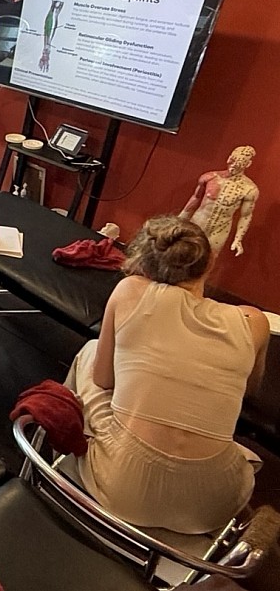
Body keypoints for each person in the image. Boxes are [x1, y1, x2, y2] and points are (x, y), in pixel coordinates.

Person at [67, 215, 269, 534]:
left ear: (144, 266)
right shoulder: (254, 321)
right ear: (210, 262)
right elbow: (249, 389)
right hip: (214, 501)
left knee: (91, 352)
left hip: (125, 490)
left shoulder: (129, 290)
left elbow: (104, 380)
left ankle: (63, 449)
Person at [179, 145, 259, 258]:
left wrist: (238, 239)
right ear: (229, 158)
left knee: (209, 259)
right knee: (184, 253)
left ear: (248, 164)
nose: (234, 165)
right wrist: (180, 220)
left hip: (219, 230)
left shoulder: (249, 189)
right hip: (198, 223)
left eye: (239, 163)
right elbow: (195, 198)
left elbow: (245, 216)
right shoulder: (210, 177)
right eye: (233, 161)